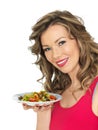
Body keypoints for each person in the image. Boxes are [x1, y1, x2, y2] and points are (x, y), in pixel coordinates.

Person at [22, 10, 98, 130]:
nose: (55, 55)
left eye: (61, 42)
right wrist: (43, 112)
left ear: (79, 40)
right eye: (47, 49)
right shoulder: (55, 95)